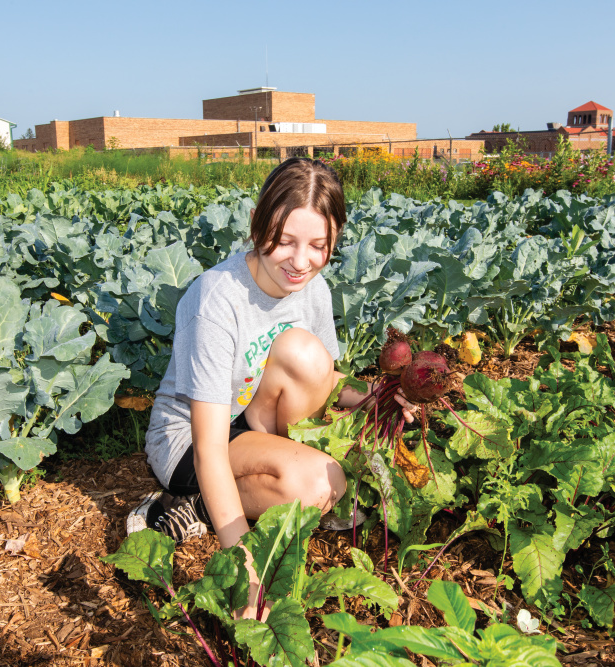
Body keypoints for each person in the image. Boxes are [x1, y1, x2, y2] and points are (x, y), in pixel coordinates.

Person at [126, 158, 414, 577]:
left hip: (249, 417)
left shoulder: (314, 289)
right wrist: (245, 563)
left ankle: (257, 485)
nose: (301, 262)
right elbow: (209, 447)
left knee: (307, 354)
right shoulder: (216, 300)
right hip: (190, 437)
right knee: (319, 485)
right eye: (284, 240)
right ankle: (198, 506)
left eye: (319, 245)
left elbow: (323, 378)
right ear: (256, 224)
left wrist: (378, 396)